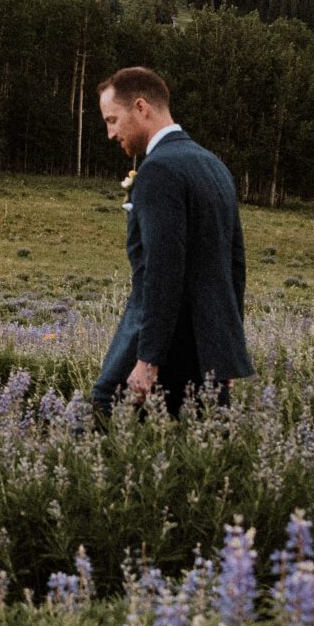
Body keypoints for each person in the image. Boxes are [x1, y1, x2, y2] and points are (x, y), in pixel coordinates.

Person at [91, 67, 253, 413]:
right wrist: (224, 354)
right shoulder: (214, 166)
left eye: (112, 119)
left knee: (105, 411)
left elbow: (162, 272)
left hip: (166, 346)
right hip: (207, 349)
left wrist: (147, 360)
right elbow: (234, 265)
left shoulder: (159, 170)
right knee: (198, 453)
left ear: (140, 107)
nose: (110, 133)